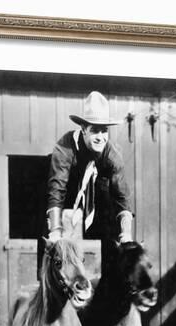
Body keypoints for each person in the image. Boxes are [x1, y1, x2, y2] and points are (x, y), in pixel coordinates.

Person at [38, 91, 134, 276]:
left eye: (104, 130)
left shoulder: (112, 154)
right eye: (94, 130)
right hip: (62, 203)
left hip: (94, 209)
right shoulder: (65, 147)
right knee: (51, 246)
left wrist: (126, 234)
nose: (100, 137)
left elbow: (122, 197)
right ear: (83, 129)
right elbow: (56, 190)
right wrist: (56, 231)